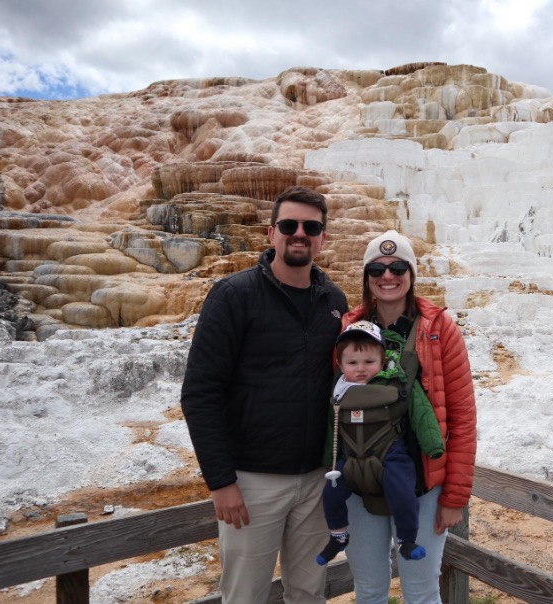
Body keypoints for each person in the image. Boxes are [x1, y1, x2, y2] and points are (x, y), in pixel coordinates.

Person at [180, 186, 348, 604]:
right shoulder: (234, 295)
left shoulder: (334, 300)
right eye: (289, 225)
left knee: (310, 592)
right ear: (271, 233)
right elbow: (200, 392)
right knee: (245, 595)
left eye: (311, 227)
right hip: (251, 482)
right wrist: (221, 482)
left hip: (315, 479)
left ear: (322, 237)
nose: (300, 234)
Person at [340, 229, 477, 604]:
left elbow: (463, 417)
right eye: (377, 269)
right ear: (366, 278)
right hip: (361, 476)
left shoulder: (439, 328)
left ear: (412, 274)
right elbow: (332, 409)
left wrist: (454, 497)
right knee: (368, 589)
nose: (388, 275)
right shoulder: (347, 328)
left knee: (421, 589)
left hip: (423, 483)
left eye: (398, 266)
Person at [316, 320, 444, 566]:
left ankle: (407, 539)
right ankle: (338, 535)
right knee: (331, 492)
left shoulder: (395, 381)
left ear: (383, 362)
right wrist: (328, 460)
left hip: (391, 453)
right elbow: (332, 427)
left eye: (369, 362)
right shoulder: (339, 390)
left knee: (402, 490)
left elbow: (422, 412)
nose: (361, 369)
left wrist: (433, 444)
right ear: (340, 364)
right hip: (352, 456)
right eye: (352, 363)